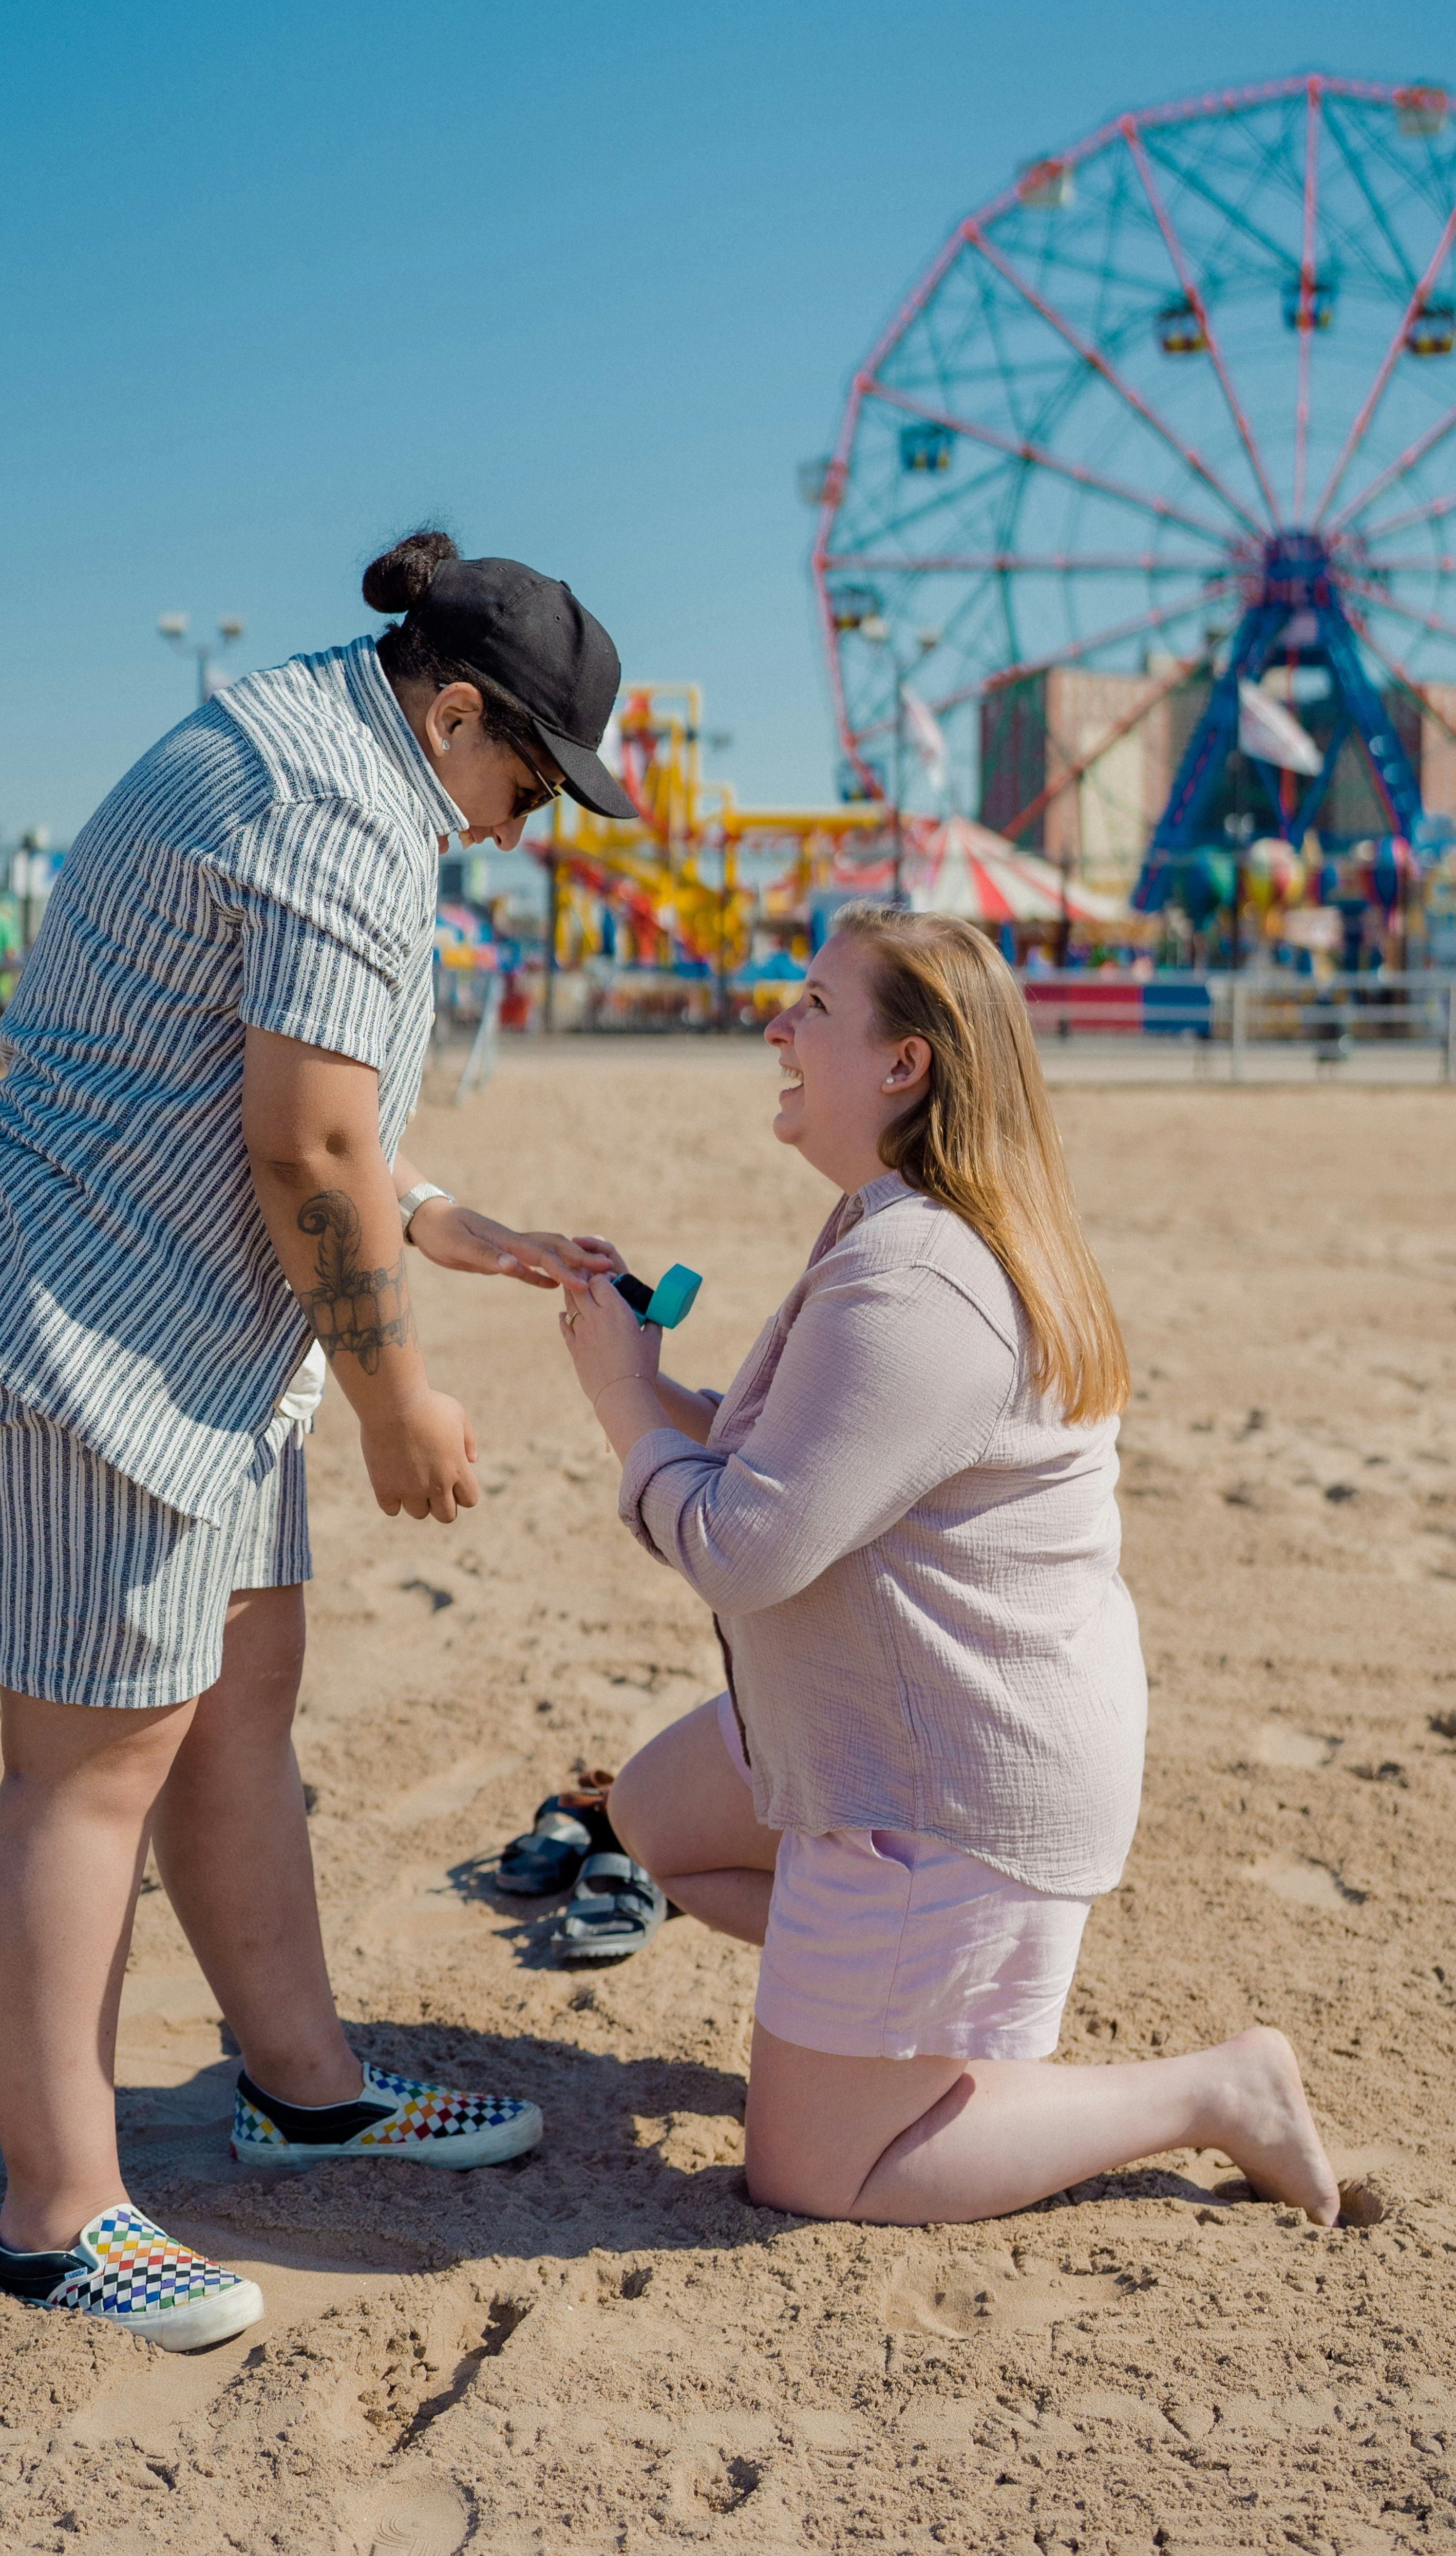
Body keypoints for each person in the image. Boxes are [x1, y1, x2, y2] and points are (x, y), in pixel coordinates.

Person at [0, 527, 637, 2345]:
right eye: (526, 780)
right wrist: (400, 1399)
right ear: (451, 711)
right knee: (92, 1760)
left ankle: (299, 2082)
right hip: (91, 1317)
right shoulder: (349, 817)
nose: (525, 825)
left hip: (180, 1316)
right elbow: (299, 1144)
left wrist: (458, 1224)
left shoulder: (307, 739)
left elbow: (291, 1106)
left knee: (238, 1688)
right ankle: (55, 2211)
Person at [557, 906, 1339, 2228]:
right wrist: (655, 1383)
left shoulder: (921, 1278)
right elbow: (810, 1460)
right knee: (655, 1817)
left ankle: (1216, 2088)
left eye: (811, 1005)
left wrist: (622, 1402)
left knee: (813, 2172)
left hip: (948, 1777)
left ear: (905, 1065)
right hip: (897, 1719)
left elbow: (743, 1549)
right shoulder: (906, 1226)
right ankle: (907, 2014)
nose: (776, 1027)